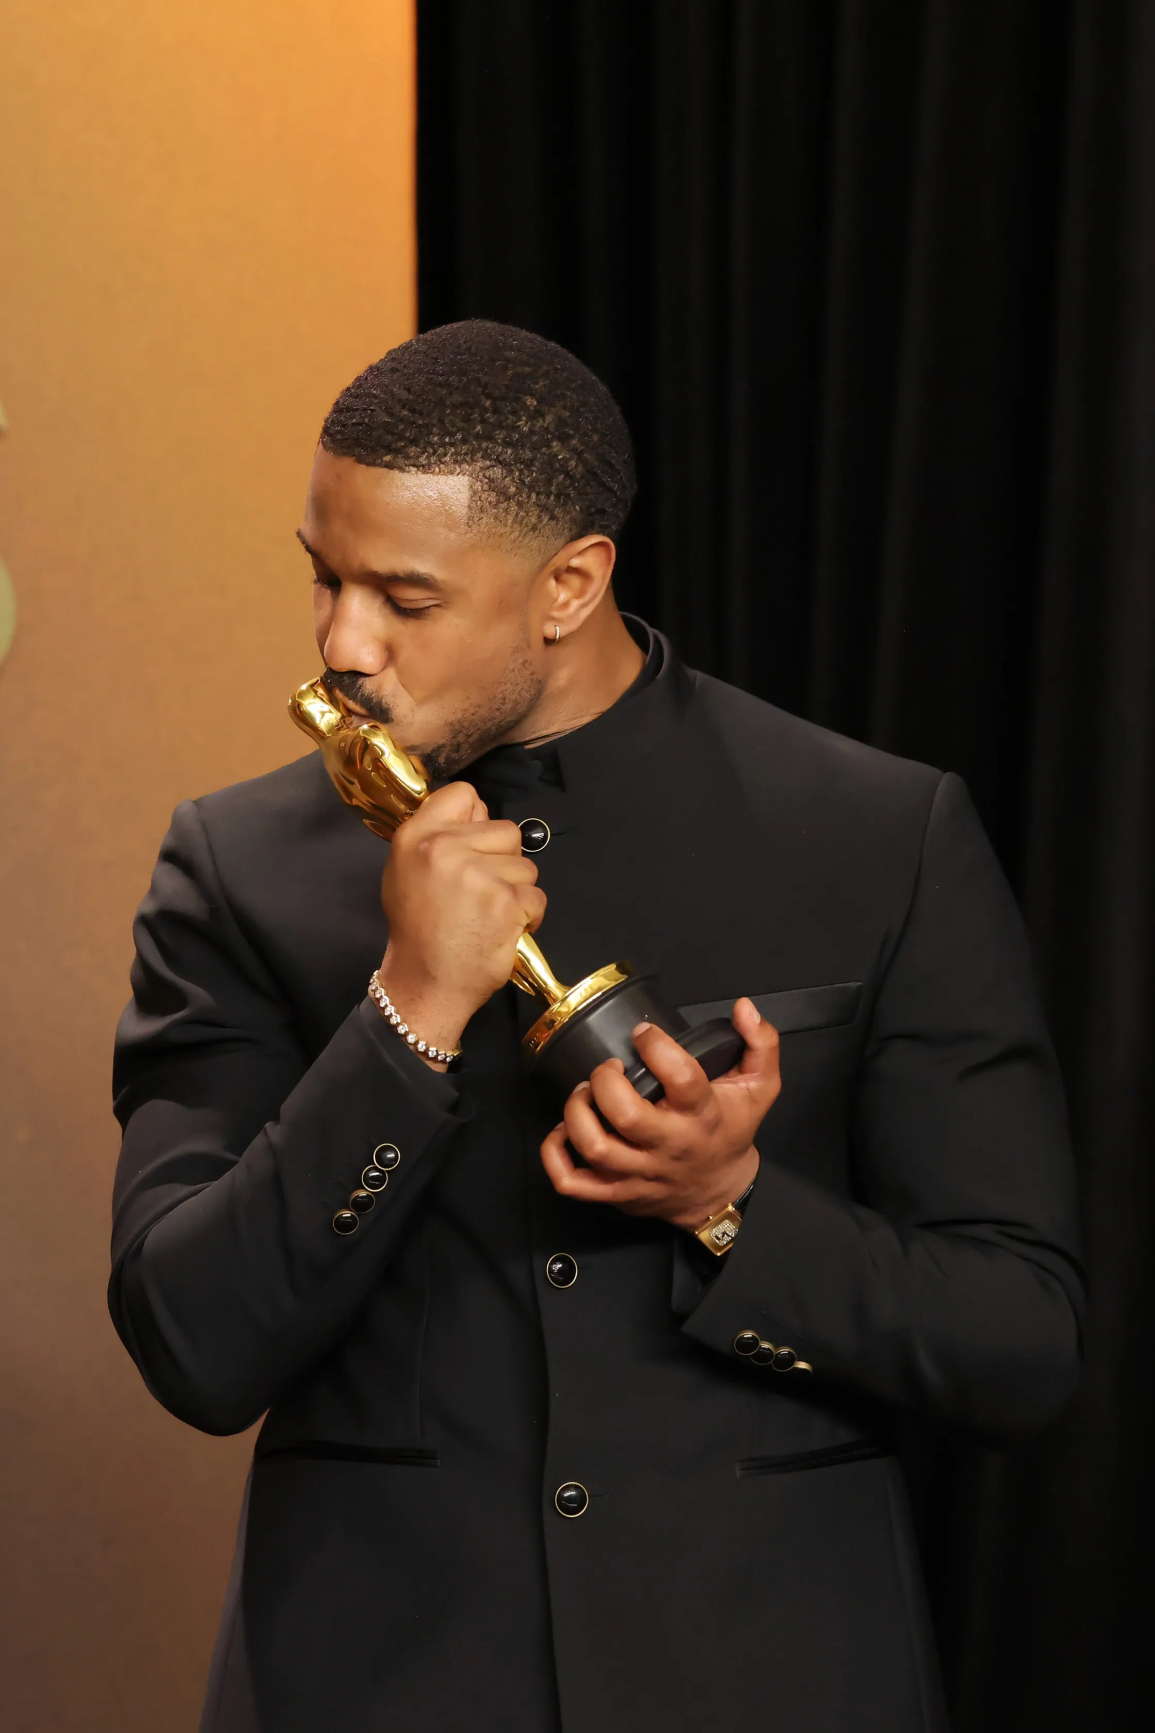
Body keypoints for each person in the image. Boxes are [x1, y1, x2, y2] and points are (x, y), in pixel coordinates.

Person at [110, 320, 1082, 1733]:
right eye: (324, 578)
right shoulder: (236, 866)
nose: (343, 644)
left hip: (769, 1684)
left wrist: (730, 1203)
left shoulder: (880, 835)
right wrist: (407, 1014)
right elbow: (194, 1345)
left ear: (570, 584)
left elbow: (1019, 1342)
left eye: (404, 598)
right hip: (373, 1689)